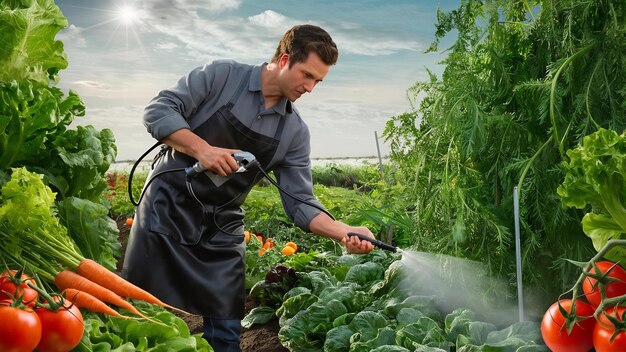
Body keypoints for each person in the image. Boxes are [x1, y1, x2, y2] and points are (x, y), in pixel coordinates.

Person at [122, 24, 375, 352]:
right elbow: (158, 110)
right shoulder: (221, 77)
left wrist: (343, 231)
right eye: (307, 75)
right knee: (139, 315)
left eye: (318, 81)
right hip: (166, 208)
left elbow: (301, 203)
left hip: (221, 229)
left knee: (227, 332)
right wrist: (202, 149)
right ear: (284, 60)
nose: (311, 88)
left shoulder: (294, 132)